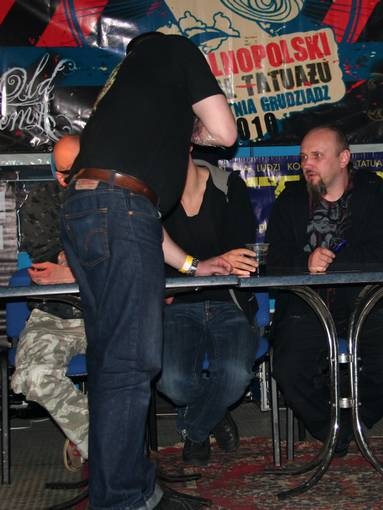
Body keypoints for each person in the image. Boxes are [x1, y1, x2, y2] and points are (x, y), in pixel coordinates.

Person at [60, 31, 237, 509]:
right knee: (130, 365)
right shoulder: (176, 50)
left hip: (87, 209)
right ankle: (124, 500)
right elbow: (225, 133)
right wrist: (193, 132)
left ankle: (128, 490)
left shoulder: (120, 95)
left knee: (110, 363)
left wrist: (193, 265)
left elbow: (141, 220)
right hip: (119, 210)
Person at [264, 124, 383, 456]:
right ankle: (331, 428)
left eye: (316, 155)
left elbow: (382, 254)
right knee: (289, 366)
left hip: (363, 300)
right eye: (304, 157)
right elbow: (272, 260)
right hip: (305, 304)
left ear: (344, 158)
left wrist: (331, 263)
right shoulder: (290, 199)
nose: (307, 163)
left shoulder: (372, 192)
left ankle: (353, 422)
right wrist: (306, 263)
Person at [158, 155, 258, 466]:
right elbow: (149, 260)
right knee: (171, 381)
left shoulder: (228, 187)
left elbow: (240, 256)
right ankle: (215, 413)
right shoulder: (153, 196)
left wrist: (185, 271)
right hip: (177, 305)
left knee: (235, 376)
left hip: (229, 302)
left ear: (186, 145)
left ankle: (196, 429)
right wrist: (208, 265)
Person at [11, 135, 89, 470]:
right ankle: (101, 441)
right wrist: (85, 264)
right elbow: (46, 268)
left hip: (104, 312)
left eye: (79, 169)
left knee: (131, 369)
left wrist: (71, 268)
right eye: (65, 172)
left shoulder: (117, 197)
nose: (67, 179)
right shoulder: (42, 200)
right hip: (53, 313)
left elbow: (127, 260)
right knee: (33, 375)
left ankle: (93, 441)